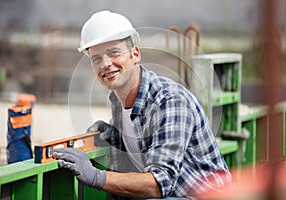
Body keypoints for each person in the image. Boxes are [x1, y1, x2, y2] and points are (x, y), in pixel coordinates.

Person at [53, 10, 232, 199]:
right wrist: (115, 137)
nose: (105, 64)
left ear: (135, 54)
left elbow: (159, 183)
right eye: (96, 59)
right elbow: (146, 146)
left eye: (114, 53)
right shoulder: (116, 99)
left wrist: (96, 176)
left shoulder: (170, 101)